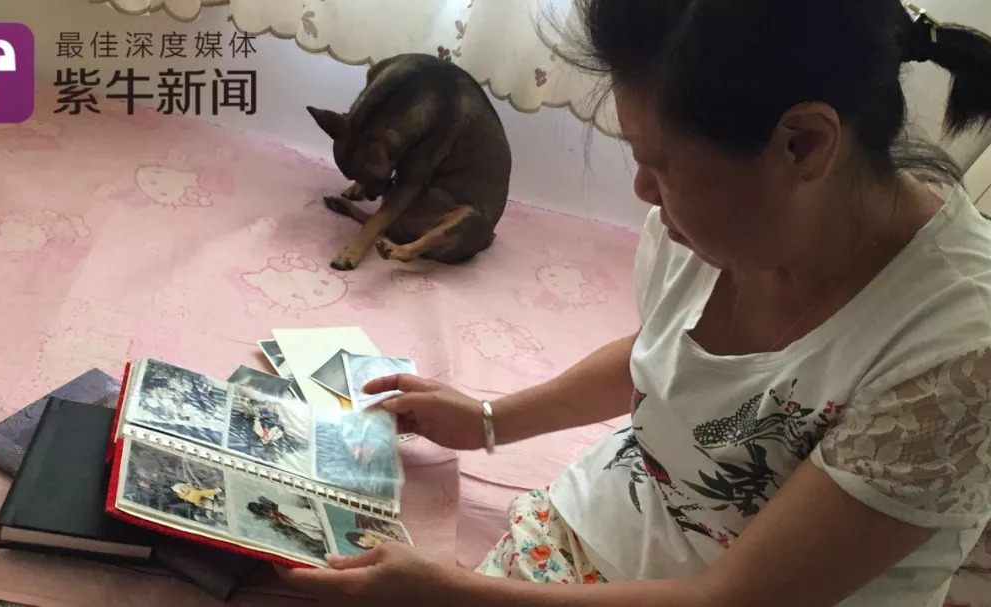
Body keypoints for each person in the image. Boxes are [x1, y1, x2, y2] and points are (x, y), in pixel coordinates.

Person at [279, 1, 991, 606]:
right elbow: (664, 357)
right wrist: (490, 419)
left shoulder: (958, 355)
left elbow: (733, 598)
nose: (643, 192)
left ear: (803, 145)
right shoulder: (712, 229)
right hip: (593, 539)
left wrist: (449, 593)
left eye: (664, 164)